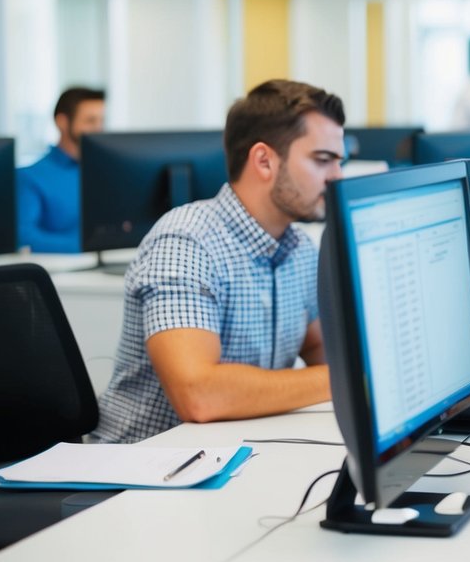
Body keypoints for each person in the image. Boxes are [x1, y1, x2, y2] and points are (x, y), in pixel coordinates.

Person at [92, 80, 345, 443]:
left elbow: (323, 351)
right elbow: (199, 395)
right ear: (264, 161)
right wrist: (351, 376)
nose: (337, 176)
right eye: (323, 160)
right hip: (141, 472)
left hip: (236, 455)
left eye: (339, 161)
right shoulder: (186, 241)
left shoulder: (299, 248)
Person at [16, 86, 105, 253]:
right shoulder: (29, 177)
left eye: (102, 121)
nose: (98, 129)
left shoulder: (107, 173)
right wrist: (90, 246)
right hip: (62, 272)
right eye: (90, 121)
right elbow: (23, 237)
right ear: (62, 122)